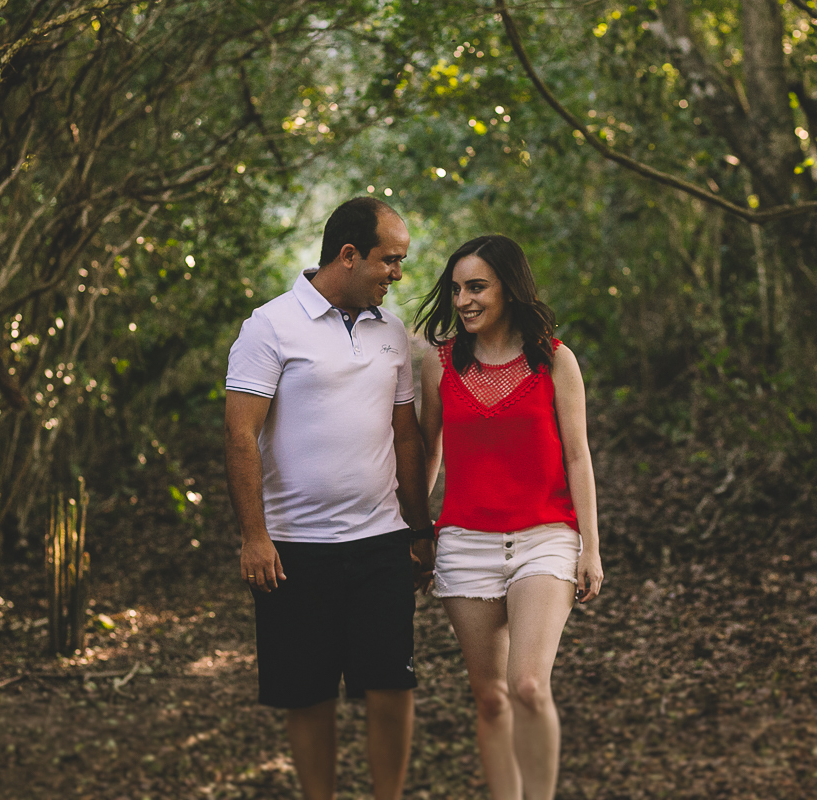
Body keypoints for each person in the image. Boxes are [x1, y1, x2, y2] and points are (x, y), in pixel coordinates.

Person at [224, 197, 436, 800]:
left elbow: (405, 435)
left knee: (392, 687)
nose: (398, 274)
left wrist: (419, 532)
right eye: (390, 260)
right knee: (308, 692)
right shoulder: (269, 326)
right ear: (349, 255)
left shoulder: (391, 332)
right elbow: (240, 434)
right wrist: (254, 537)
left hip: (381, 543)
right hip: (295, 549)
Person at [415, 234, 602, 800]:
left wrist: (589, 546)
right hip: (465, 543)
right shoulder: (440, 362)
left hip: (545, 536)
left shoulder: (554, 359)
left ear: (508, 287)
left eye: (478, 286)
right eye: (457, 289)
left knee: (526, 686)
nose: (465, 299)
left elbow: (577, 455)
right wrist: (420, 534)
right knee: (491, 698)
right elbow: (430, 452)